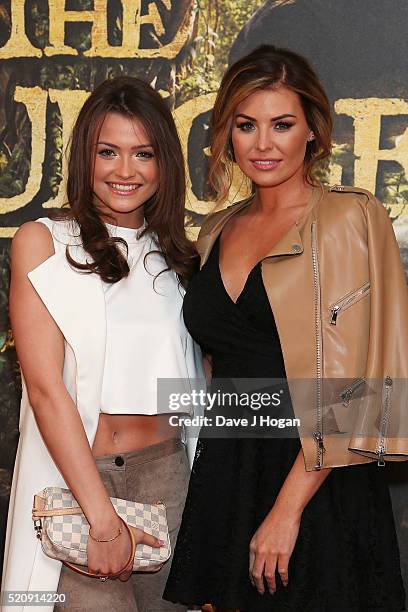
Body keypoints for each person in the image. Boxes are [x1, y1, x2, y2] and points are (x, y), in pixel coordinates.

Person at [164, 45, 408, 611]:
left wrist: (287, 510)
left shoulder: (350, 218)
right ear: (227, 133)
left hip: (317, 481)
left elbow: (355, 383)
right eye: (246, 126)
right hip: (230, 468)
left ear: (313, 133)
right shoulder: (216, 228)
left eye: (282, 124)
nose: (263, 143)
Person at [2, 76, 203, 612]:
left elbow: (203, 386)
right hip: (77, 486)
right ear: (83, 156)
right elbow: (46, 391)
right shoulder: (42, 242)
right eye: (107, 151)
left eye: (143, 153)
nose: (125, 170)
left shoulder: (179, 257)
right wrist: (102, 517)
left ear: (164, 164)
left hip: (167, 479)